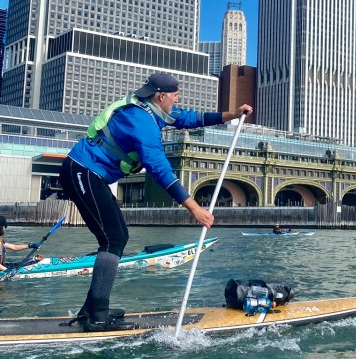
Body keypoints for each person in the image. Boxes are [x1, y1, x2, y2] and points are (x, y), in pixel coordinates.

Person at [59, 72, 253, 332]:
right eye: (174, 97)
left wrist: (233, 114)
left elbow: (191, 118)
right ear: (161, 96)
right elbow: (160, 169)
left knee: (117, 237)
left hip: (89, 173)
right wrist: (195, 208)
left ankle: (92, 308)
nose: (176, 101)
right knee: (113, 239)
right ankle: (97, 316)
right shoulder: (142, 122)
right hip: (83, 171)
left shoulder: (150, 109)